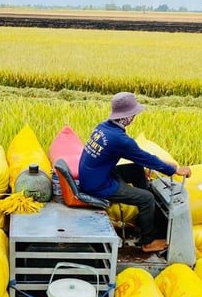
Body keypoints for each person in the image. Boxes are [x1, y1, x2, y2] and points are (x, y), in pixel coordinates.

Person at [78, 92, 192, 253]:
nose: (134, 117)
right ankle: (148, 242)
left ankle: (146, 219)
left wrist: (164, 164)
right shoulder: (120, 139)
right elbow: (143, 156)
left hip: (94, 175)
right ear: (127, 116)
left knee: (137, 170)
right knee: (147, 198)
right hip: (98, 184)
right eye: (133, 114)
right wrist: (174, 170)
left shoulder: (103, 126)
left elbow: (138, 158)